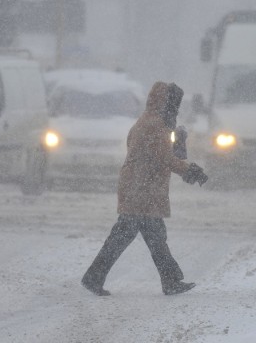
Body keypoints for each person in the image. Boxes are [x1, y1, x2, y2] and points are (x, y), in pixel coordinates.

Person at [81, 81, 208, 296]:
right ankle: (169, 281)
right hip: (141, 191)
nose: (175, 110)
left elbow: (157, 153)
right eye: (174, 104)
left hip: (140, 189)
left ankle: (96, 277)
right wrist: (190, 170)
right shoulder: (154, 125)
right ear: (165, 103)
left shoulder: (150, 122)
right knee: (142, 237)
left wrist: (177, 143)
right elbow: (164, 158)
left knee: (145, 236)